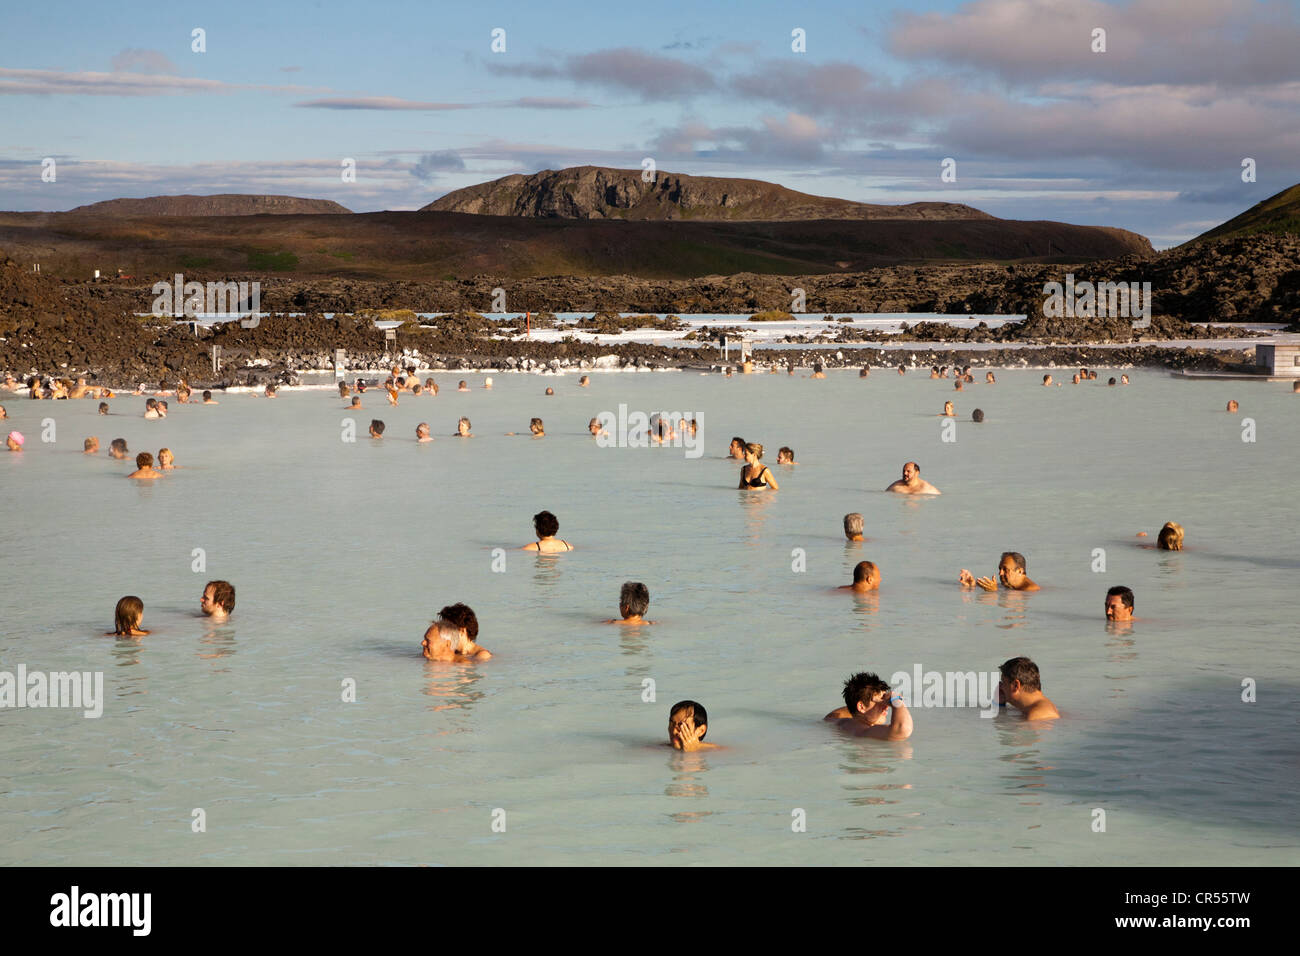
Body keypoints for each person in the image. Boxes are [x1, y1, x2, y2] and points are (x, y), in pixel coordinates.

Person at [823, 672, 913, 740]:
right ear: (861, 707)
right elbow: (903, 730)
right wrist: (897, 700)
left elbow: (833, 716)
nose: (887, 705)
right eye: (881, 700)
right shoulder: (865, 731)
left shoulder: (841, 722)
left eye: (887, 701)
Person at [960, 551, 1039, 591]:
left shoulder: (1030, 590)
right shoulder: (1011, 585)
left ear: (1020, 571)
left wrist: (995, 592)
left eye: (1005, 569)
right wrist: (972, 585)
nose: (1000, 573)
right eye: (1000, 569)